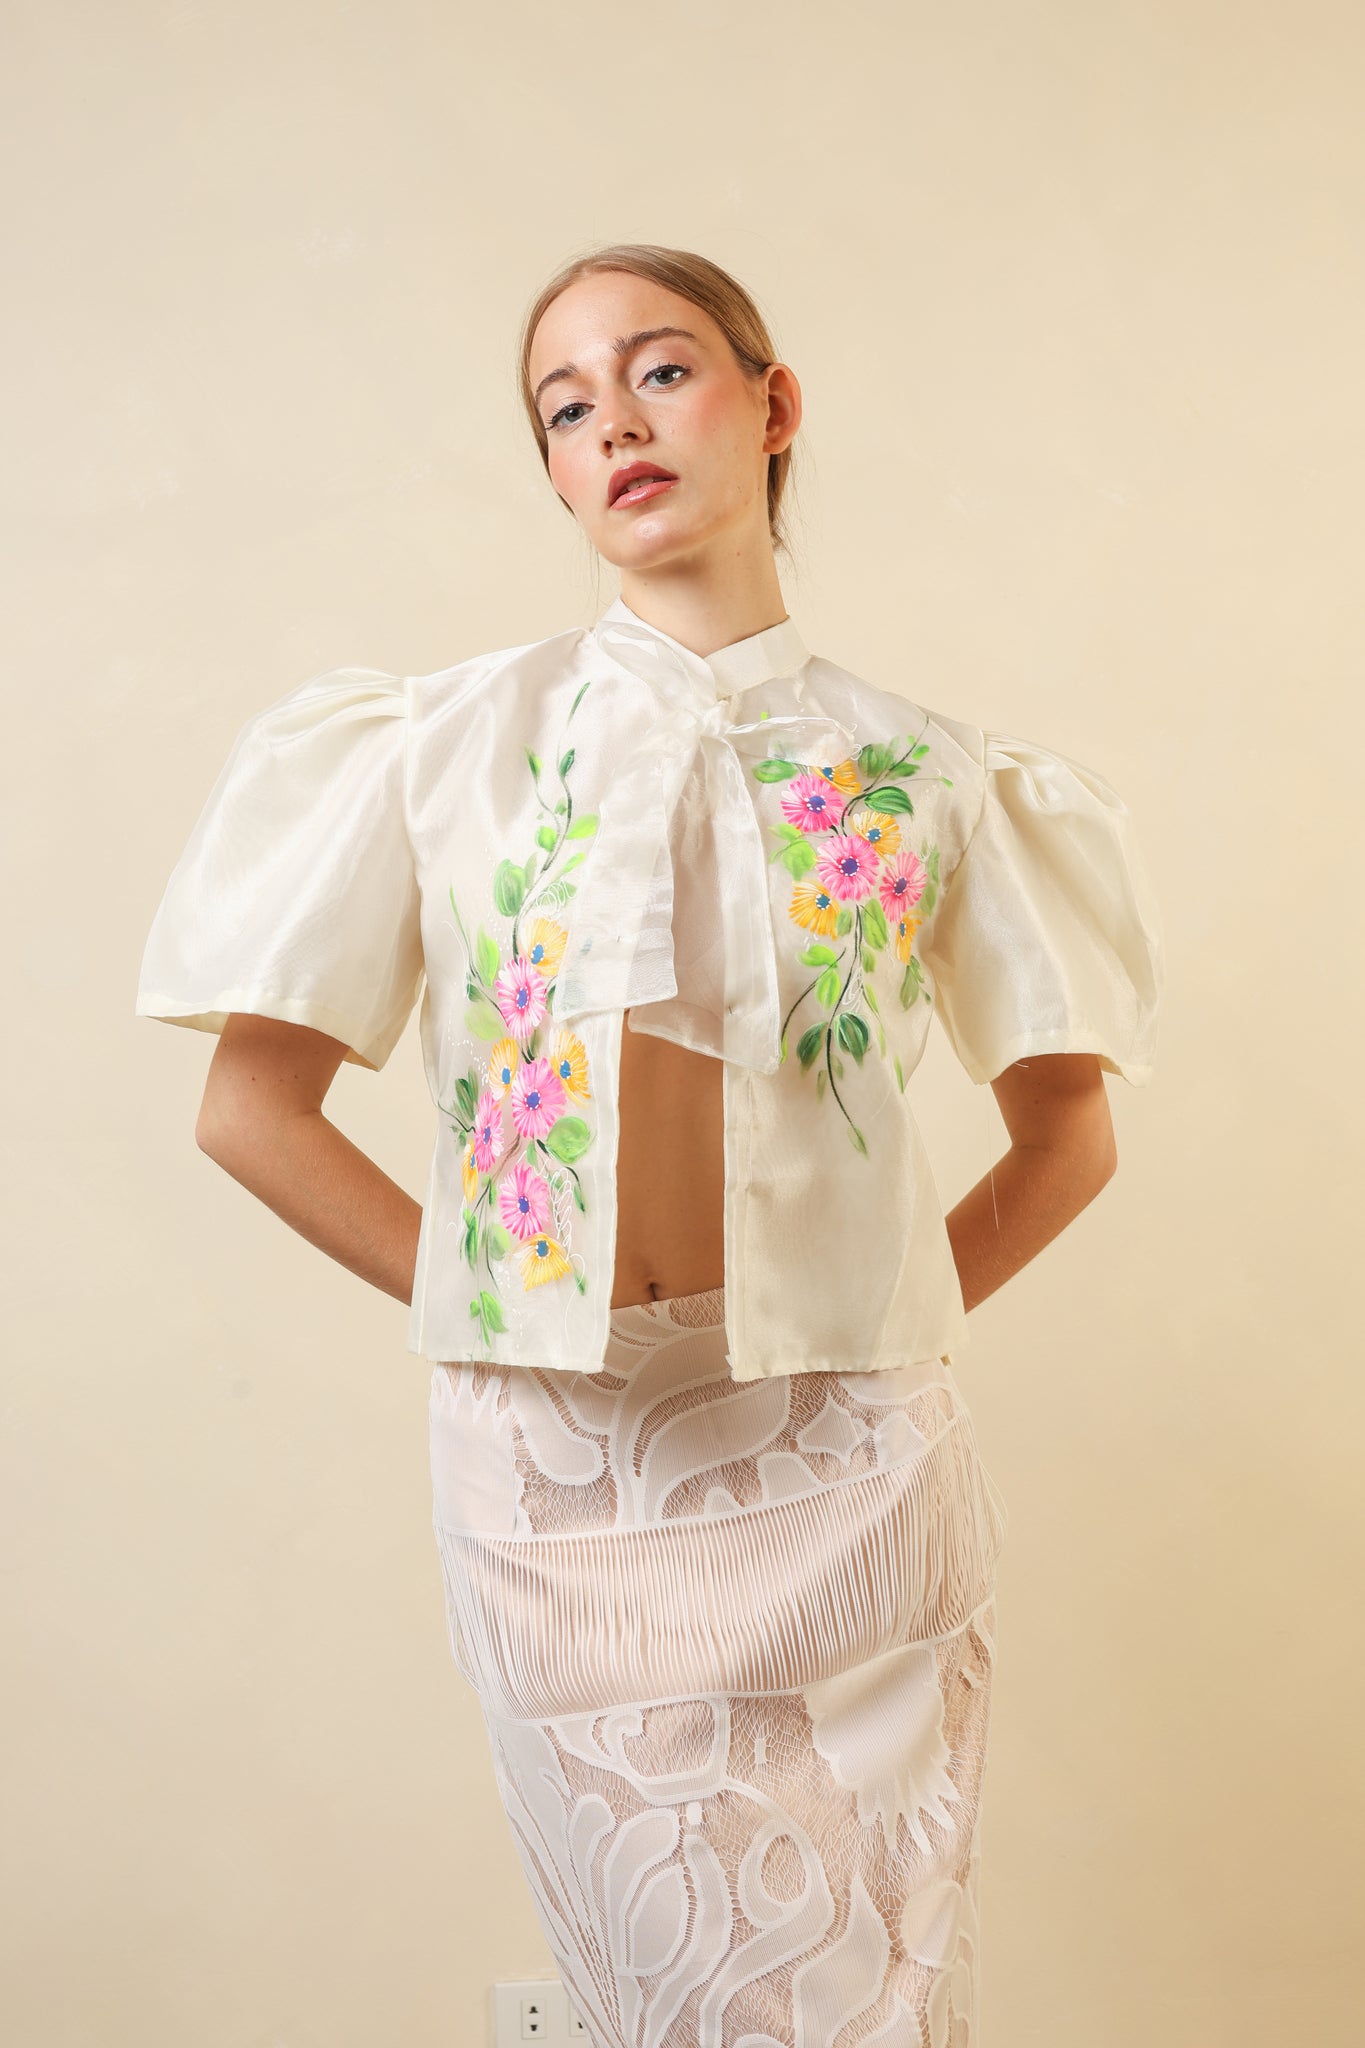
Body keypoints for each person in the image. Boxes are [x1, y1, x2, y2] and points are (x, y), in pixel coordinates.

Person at [135, 242, 1163, 2043]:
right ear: (551, 471)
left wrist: (873, 1321)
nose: (613, 420)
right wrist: (491, 1302)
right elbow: (250, 1111)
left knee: (883, 1984)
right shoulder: (437, 747)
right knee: (658, 1976)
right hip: (554, 1475)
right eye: (564, 405)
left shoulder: (930, 773)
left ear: (771, 406)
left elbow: (1065, 1137)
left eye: (661, 370)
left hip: (853, 1461)